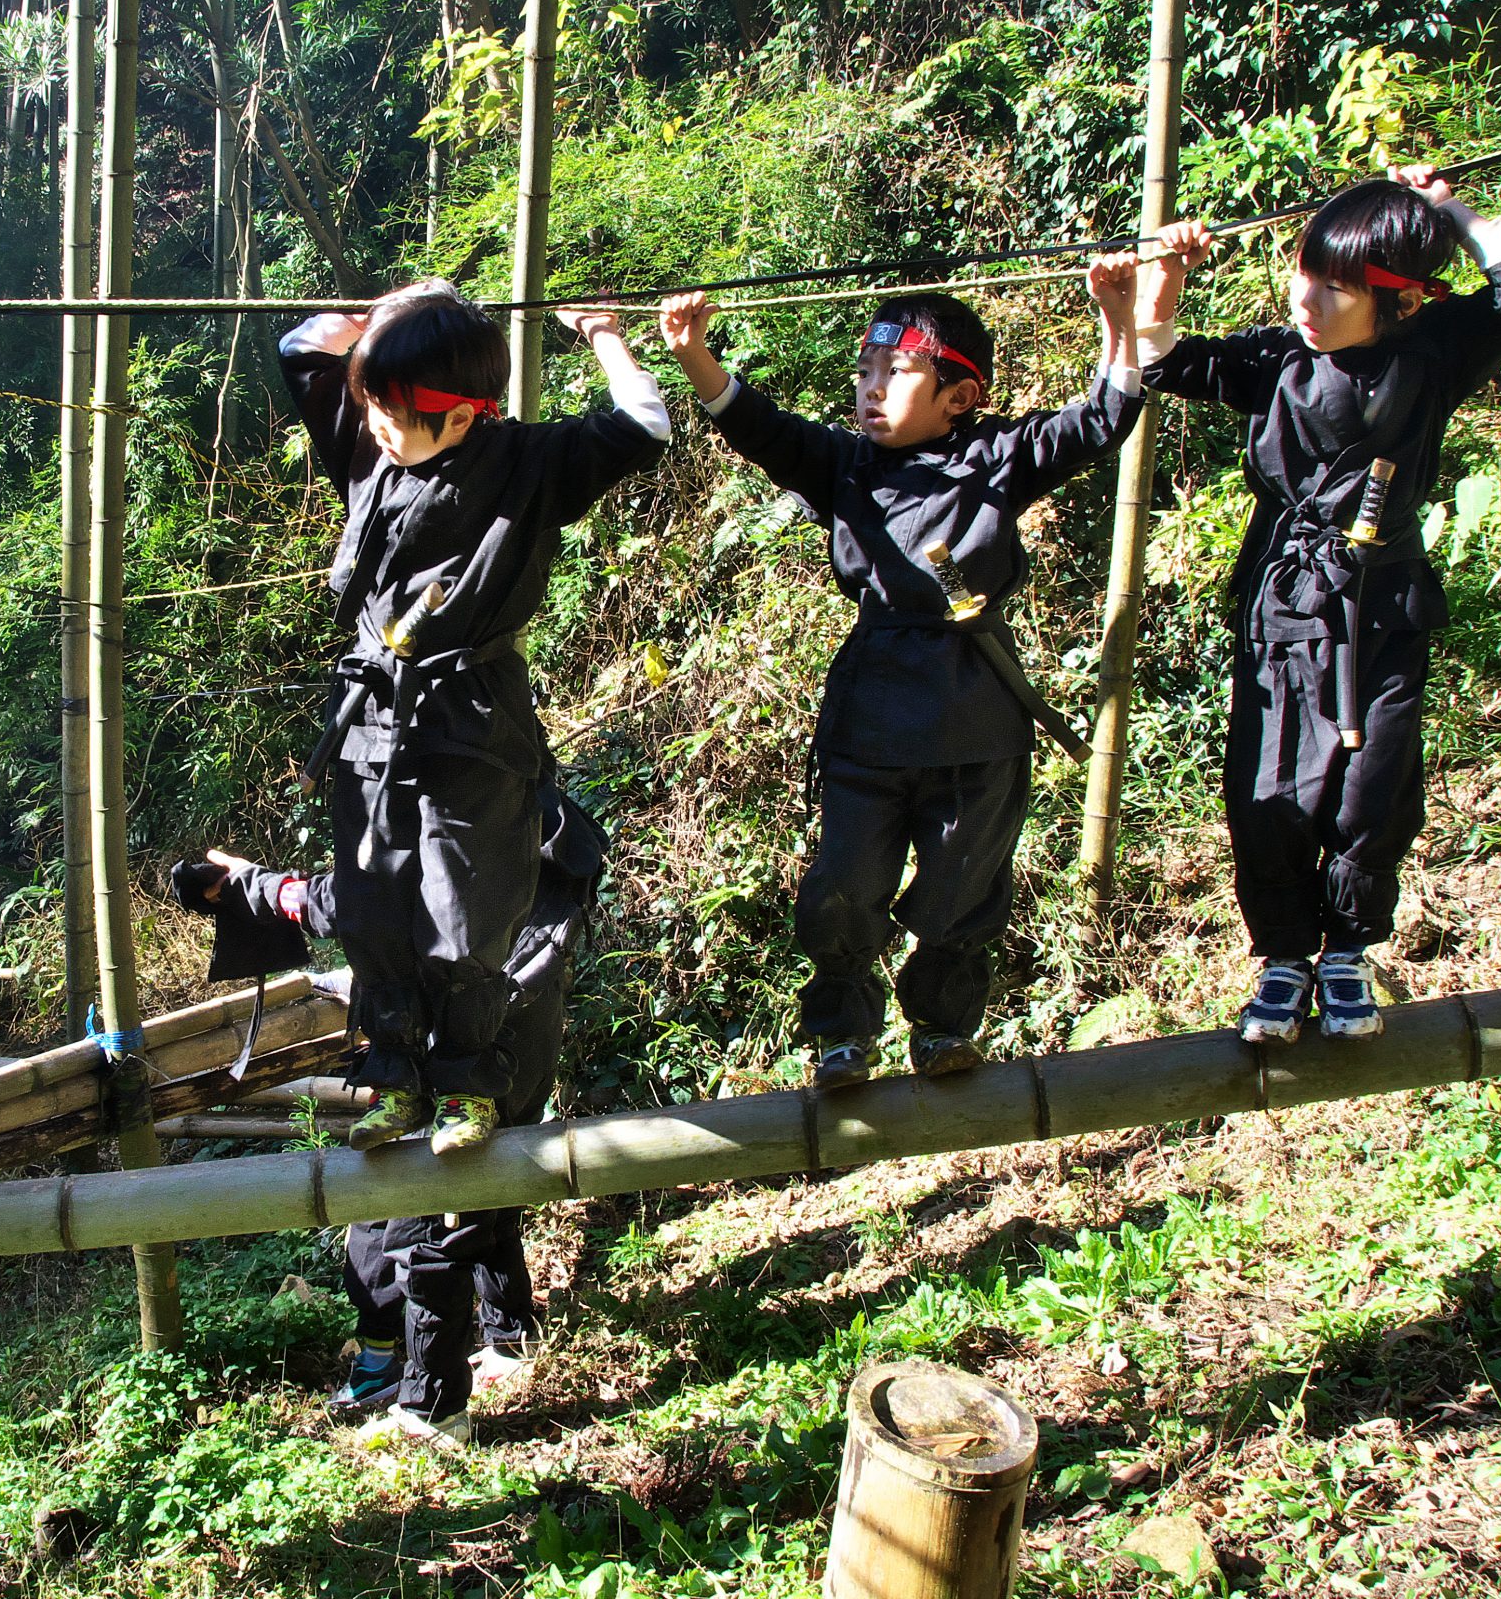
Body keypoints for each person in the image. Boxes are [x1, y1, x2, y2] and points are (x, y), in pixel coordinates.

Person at [658, 260, 1145, 1087]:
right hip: (872, 710)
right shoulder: (844, 466)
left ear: (961, 394)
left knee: (963, 886)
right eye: (865, 372)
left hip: (975, 708)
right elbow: (759, 427)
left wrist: (1122, 319)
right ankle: (844, 1032)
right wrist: (693, 350)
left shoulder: (998, 458)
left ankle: (942, 1028)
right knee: (845, 883)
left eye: (897, 372)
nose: (871, 389)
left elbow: (1100, 419)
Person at [1139, 166, 1501, 1043]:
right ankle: (1285, 957)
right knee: (1270, 786)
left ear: (1396, 299)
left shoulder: (1432, 351)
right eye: (1303, 270)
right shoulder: (1279, 360)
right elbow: (1164, 359)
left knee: (1375, 784)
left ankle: (1347, 953)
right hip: (1284, 607)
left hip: (1386, 603)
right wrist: (1166, 285)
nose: (1308, 298)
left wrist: (1445, 208)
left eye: (1336, 285)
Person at [277, 282, 667, 1155]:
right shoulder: (374, 443)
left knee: (465, 911)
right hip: (371, 715)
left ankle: (467, 1086)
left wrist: (604, 334)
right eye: (370, 402)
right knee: (374, 907)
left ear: (461, 415)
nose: (374, 422)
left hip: (474, 722)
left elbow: (645, 427)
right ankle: (395, 1079)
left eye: (394, 409)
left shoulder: (526, 463)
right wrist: (387, 316)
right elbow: (302, 350)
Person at [177, 782, 606, 1444]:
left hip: (459, 1043)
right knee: (493, 1180)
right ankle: (509, 1335)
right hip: (521, 1028)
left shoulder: (438, 795)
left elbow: (360, 903)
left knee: (418, 1208)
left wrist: (254, 888)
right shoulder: (535, 800)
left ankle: (430, 1403)